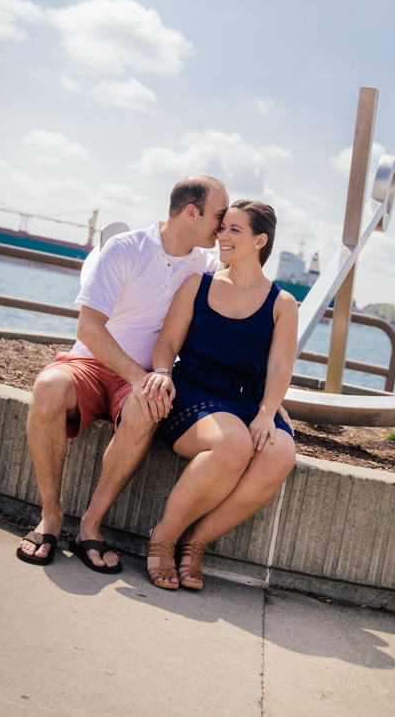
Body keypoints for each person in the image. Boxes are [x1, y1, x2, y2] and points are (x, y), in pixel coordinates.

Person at [16, 175, 231, 571]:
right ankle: (50, 516)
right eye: (220, 216)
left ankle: (90, 527)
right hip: (91, 363)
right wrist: (136, 376)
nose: (223, 225)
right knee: (47, 386)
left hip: (140, 378)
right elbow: (88, 328)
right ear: (191, 212)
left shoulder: (207, 265)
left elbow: (247, 288)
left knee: (148, 406)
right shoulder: (126, 248)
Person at [143, 199, 298, 590]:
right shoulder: (199, 283)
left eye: (234, 230)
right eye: (222, 227)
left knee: (280, 453)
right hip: (194, 392)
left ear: (260, 240)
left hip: (251, 400)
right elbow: (166, 343)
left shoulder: (282, 303)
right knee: (232, 444)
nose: (222, 236)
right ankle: (163, 537)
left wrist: (268, 412)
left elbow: (281, 367)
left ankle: (196, 543)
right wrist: (162, 373)